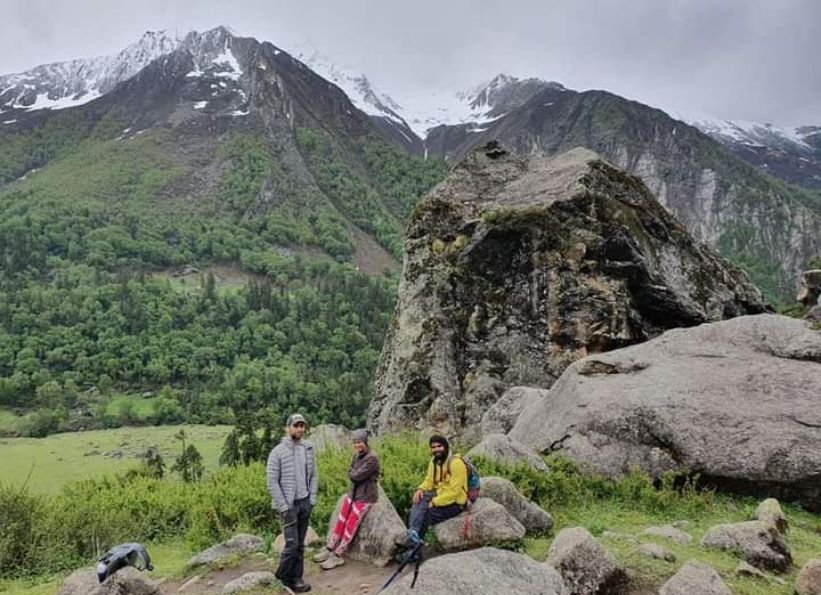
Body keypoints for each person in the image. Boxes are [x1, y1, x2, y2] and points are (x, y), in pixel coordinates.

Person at [313, 429, 380, 570]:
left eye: (359, 442)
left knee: (350, 524)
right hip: (353, 494)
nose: (357, 445)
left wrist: (352, 473)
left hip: (366, 496)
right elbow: (351, 471)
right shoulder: (356, 456)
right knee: (341, 519)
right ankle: (330, 548)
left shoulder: (372, 458)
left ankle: (339, 555)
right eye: (355, 443)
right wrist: (352, 472)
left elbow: (356, 476)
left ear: (366, 442)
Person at [267, 413, 317, 593]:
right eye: (296, 425)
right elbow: (272, 482)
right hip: (288, 506)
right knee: (292, 544)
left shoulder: (308, 448)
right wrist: (284, 506)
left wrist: (311, 500)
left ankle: (297, 578)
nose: (300, 429)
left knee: (301, 544)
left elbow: (313, 476)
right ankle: (280, 578)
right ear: (287, 428)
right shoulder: (277, 452)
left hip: (304, 502)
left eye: (302, 426)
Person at [398, 435, 466, 547]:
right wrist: (420, 489)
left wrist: (435, 502)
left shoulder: (456, 463)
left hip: (456, 502)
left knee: (426, 515)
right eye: (433, 447)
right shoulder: (434, 462)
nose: (436, 449)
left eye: (439, 446)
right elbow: (429, 481)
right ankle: (413, 534)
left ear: (446, 446)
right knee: (418, 499)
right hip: (440, 494)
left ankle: (413, 551)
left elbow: (454, 492)